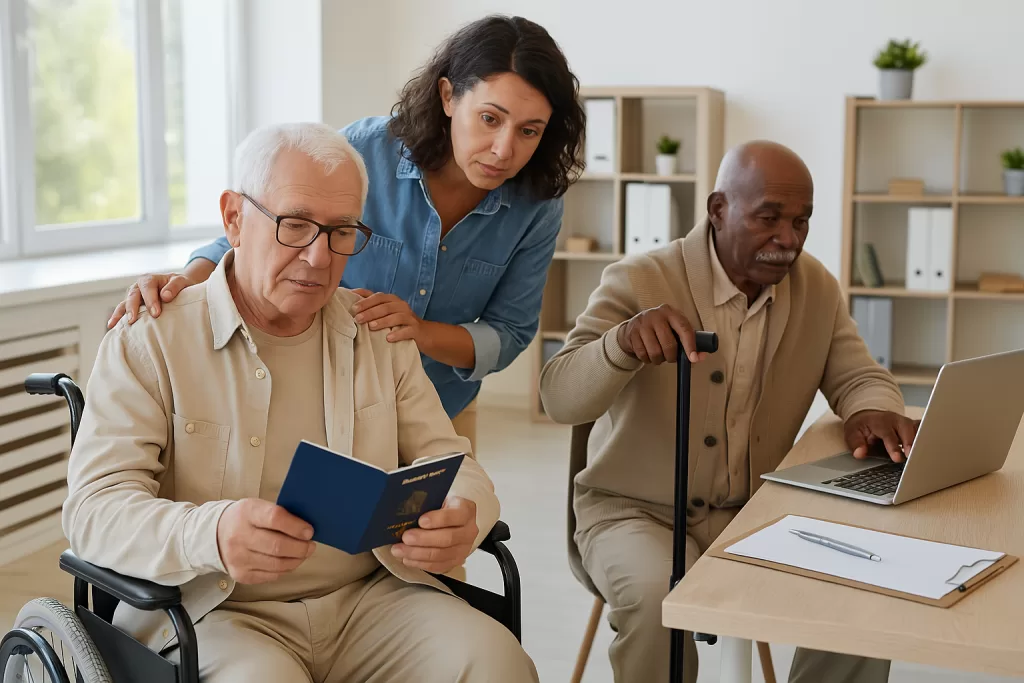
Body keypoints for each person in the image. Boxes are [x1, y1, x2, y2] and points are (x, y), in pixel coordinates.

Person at [63, 122, 537, 683]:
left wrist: (464, 514)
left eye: (342, 231)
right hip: (212, 611)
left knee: (497, 662)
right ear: (234, 218)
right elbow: (92, 512)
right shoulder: (152, 338)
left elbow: (455, 465)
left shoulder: (377, 334)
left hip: (371, 599)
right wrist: (211, 533)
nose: (319, 257)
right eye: (294, 225)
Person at [106, 14, 586, 455]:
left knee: (446, 519)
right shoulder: (364, 151)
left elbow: (509, 333)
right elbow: (258, 229)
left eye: (529, 131)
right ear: (447, 97)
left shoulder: (538, 204)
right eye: (490, 119)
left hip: (441, 407)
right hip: (330, 401)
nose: (504, 149)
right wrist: (180, 283)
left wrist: (420, 333)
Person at [539, 141, 919, 683]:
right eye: (769, 218)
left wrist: (873, 408)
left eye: (801, 221)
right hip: (633, 513)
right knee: (657, 598)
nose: (788, 239)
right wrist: (620, 344)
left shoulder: (816, 288)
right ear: (718, 209)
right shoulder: (638, 279)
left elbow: (860, 375)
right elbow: (558, 396)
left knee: (864, 586)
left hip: (759, 513)